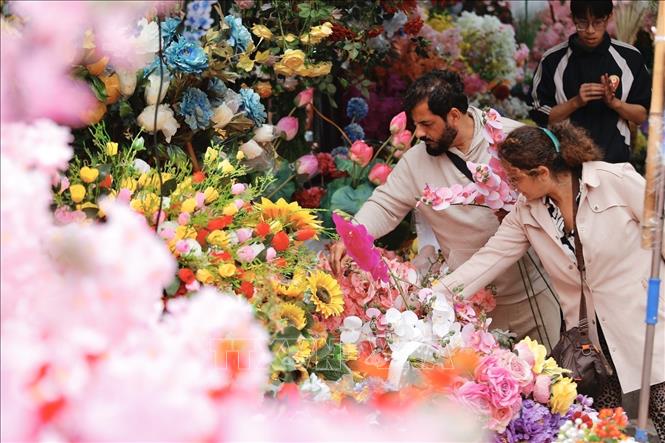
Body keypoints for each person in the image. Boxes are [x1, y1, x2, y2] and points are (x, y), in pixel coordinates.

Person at [437, 122, 665, 440]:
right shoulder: (527, 212)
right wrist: (431, 297)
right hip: (591, 345)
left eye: (516, 179)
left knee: (663, 410)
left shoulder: (614, 180)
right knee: (600, 430)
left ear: (542, 173)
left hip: (648, 321)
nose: (514, 188)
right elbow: (487, 260)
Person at [330, 69, 561, 350]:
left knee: (557, 384)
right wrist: (351, 237)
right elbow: (385, 204)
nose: (418, 134)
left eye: (427, 124)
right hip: (471, 302)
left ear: (453, 115)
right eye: (416, 125)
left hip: (535, 292)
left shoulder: (511, 138)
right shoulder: (417, 161)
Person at [530, 0, 651, 163]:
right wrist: (576, 102)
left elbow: (641, 116)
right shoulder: (552, 60)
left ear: (609, 18)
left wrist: (615, 103)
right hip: (565, 165)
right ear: (573, 19)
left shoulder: (630, 58)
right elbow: (541, 117)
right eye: (582, 23)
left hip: (614, 164)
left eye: (598, 22)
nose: (590, 30)